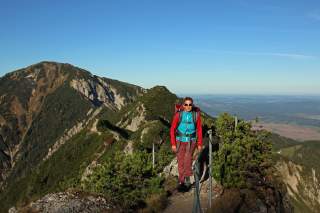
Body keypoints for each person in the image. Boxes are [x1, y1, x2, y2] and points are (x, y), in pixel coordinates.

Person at [170, 97, 202, 191]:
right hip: (179, 140)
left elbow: (199, 130)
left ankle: (187, 180)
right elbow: (172, 129)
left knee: (188, 159)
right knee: (180, 161)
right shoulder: (178, 115)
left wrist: (199, 144)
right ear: (183, 105)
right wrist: (173, 144)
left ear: (192, 105)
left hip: (191, 141)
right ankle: (181, 181)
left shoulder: (196, 115)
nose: (188, 106)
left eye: (190, 104)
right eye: (186, 104)